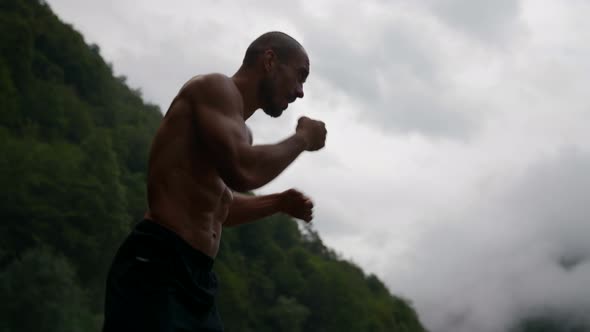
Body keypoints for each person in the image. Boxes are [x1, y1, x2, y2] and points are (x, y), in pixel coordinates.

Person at [102, 31, 327, 331]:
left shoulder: (239, 133)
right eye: (300, 76)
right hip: (158, 265)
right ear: (270, 60)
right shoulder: (213, 88)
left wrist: (277, 203)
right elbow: (242, 170)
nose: (300, 92)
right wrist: (303, 138)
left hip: (198, 279)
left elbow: (218, 210)